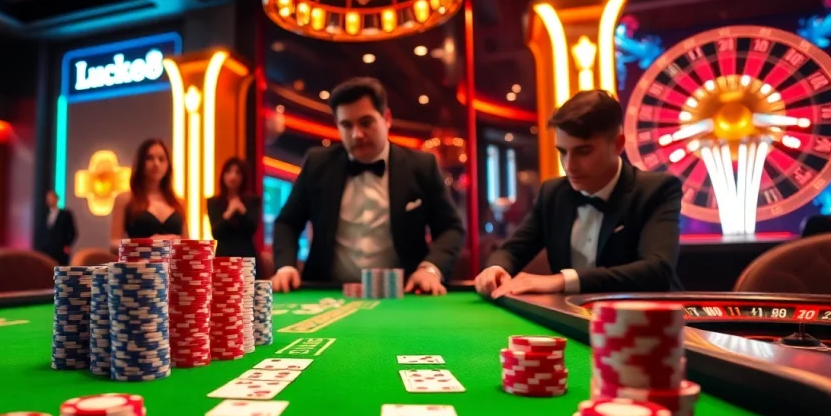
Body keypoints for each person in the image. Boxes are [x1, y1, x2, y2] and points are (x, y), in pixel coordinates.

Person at [475, 90, 683, 297]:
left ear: (618, 144)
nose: (569, 166)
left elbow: (657, 270)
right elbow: (511, 251)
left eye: (583, 151)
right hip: (571, 321)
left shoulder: (656, 190)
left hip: (648, 323)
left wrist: (562, 280)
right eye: (562, 152)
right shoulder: (553, 193)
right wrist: (496, 269)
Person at [272, 77, 465, 295]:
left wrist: (430, 269)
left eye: (366, 122)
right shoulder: (318, 163)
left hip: (404, 294)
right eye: (346, 125)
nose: (357, 134)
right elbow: (287, 222)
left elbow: (451, 228)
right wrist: (286, 266)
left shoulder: (421, 165)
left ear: (387, 118)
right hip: (327, 292)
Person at [111, 139, 186, 249]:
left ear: (168, 165)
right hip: (141, 264)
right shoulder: (124, 199)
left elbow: (187, 242)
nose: (156, 164)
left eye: (161, 159)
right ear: (141, 163)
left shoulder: (178, 201)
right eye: (150, 158)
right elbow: (113, 243)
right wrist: (148, 243)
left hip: (174, 264)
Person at [207, 157, 261, 257]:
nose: (233, 176)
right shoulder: (213, 202)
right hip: (223, 256)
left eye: (238, 173)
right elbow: (216, 233)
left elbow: (251, 230)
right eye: (228, 172)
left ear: (243, 177)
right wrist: (229, 213)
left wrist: (243, 211)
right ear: (223, 176)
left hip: (246, 256)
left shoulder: (252, 200)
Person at [38, 190, 77, 264]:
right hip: (46, 250)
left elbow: (72, 232)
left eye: (52, 198)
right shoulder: (44, 215)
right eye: (48, 199)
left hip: (60, 250)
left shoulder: (65, 214)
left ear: (57, 199)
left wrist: (67, 245)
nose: (50, 200)